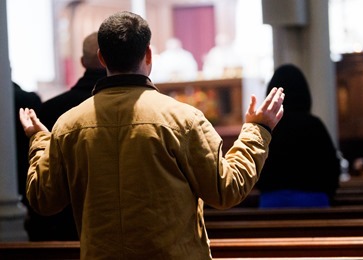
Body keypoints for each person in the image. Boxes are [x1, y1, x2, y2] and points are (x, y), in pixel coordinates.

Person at [19, 11, 284, 259]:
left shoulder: (69, 125)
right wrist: (257, 130)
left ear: (101, 58)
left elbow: (44, 199)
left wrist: (40, 140)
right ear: (148, 54)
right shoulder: (183, 119)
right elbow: (226, 190)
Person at [23, 32, 106, 242]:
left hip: (65, 229)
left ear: (82, 62)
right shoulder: (159, 112)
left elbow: (43, 193)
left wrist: (39, 138)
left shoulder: (53, 109)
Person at [256, 64, 341, 208]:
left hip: (271, 206)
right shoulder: (315, 125)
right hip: (315, 204)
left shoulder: (265, 129)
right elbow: (332, 170)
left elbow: (254, 171)